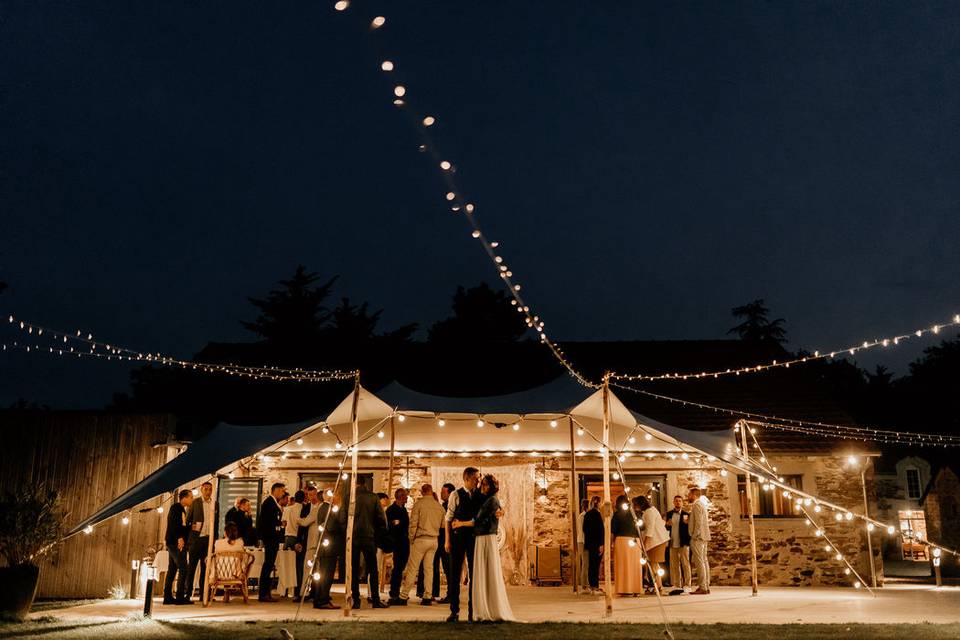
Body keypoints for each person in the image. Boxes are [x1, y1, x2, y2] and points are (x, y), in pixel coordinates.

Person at [451, 474, 515, 622]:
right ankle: (466, 611)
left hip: (483, 538)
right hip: (475, 539)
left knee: (483, 573)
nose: (481, 485)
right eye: (480, 482)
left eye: (485, 483)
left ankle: (483, 610)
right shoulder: (477, 496)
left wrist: (460, 523)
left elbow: (478, 519)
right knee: (477, 575)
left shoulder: (490, 499)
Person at [445, 466, 483, 622]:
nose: (478, 481)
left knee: (474, 575)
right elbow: (448, 519)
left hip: (474, 539)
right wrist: (447, 541)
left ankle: (472, 611)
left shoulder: (480, 495)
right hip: (457, 538)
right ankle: (454, 611)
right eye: (476, 478)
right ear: (467, 479)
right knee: (455, 575)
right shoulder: (455, 495)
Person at [401, 484, 446, 605]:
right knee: (429, 569)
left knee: (412, 568)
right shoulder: (439, 507)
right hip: (434, 540)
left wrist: (411, 538)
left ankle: (404, 596)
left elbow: (413, 523)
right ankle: (427, 597)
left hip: (421, 539)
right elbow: (443, 525)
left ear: (422, 492)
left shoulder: (419, 504)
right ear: (431, 491)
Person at [351, 478, 389, 608]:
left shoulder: (349, 497)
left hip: (354, 537)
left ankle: (356, 600)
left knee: (354, 570)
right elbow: (381, 518)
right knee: (373, 569)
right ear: (365, 485)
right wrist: (377, 531)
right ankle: (375, 599)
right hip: (369, 536)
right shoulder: (373, 498)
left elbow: (341, 517)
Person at [304, 489, 343, 609]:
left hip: (325, 545)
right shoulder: (328, 508)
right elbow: (330, 527)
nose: (336, 497)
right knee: (327, 575)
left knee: (323, 574)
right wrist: (342, 526)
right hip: (329, 546)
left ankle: (320, 599)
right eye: (335, 494)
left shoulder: (322, 508)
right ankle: (323, 600)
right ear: (330, 496)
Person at [186, 481, 216, 601]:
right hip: (196, 540)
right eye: (206, 489)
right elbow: (188, 520)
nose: (208, 492)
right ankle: (187, 594)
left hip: (208, 540)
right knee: (191, 568)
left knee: (206, 569)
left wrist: (214, 540)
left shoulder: (215, 503)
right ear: (201, 490)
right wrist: (191, 528)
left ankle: (204, 595)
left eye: (210, 489)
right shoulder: (195, 502)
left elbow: (216, 521)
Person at [256, 482, 286, 602]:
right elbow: (266, 522)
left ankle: (265, 593)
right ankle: (263, 593)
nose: (283, 493)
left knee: (269, 565)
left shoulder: (272, 503)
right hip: (270, 538)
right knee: (267, 565)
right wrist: (279, 524)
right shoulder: (269, 503)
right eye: (282, 491)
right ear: (277, 490)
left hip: (272, 538)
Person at [163, 489, 193, 605]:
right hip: (175, 542)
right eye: (191, 497)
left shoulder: (182, 510)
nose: (192, 499)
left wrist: (190, 527)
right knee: (183, 568)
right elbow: (174, 524)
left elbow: (182, 526)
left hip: (173, 541)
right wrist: (180, 538)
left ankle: (167, 597)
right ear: (184, 498)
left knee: (172, 570)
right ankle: (180, 597)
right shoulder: (176, 508)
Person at [635, 495, 669, 592]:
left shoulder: (649, 512)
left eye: (635, 505)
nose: (635, 507)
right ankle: (658, 585)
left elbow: (650, 529)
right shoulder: (651, 511)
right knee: (654, 565)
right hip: (657, 540)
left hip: (656, 541)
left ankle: (658, 587)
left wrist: (644, 544)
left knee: (654, 565)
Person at [611, 494, 642, 596]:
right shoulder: (636, 514)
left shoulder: (617, 514)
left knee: (622, 565)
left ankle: (624, 589)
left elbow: (613, 531)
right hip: (635, 541)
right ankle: (635, 588)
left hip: (622, 541)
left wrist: (611, 544)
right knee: (634, 565)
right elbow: (642, 527)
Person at [386, 488, 410, 605]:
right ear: (400, 497)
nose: (407, 498)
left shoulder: (404, 509)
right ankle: (394, 593)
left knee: (401, 567)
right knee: (397, 569)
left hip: (405, 542)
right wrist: (393, 523)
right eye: (405, 496)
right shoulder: (391, 510)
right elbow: (387, 525)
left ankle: (396, 592)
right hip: (396, 542)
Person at [664, 495, 691, 593]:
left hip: (683, 543)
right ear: (673, 502)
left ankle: (687, 584)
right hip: (672, 542)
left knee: (685, 564)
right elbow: (666, 528)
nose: (678, 502)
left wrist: (686, 523)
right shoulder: (669, 514)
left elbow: (689, 530)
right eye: (676, 501)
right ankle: (676, 584)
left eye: (680, 501)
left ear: (682, 503)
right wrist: (667, 525)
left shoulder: (686, 514)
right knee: (674, 565)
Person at [687, 486, 711, 595]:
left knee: (700, 562)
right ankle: (706, 585)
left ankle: (703, 587)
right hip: (704, 536)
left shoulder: (696, 505)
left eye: (689, 494)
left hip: (698, 537)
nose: (688, 496)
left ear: (694, 494)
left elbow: (699, 522)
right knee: (704, 561)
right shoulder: (702, 504)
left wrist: (694, 535)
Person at [283, 490, 306, 599]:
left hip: (288, 538)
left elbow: (283, 524)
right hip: (298, 538)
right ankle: (297, 592)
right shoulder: (304, 509)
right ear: (304, 499)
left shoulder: (287, 509)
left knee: (286, 565)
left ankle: (285, 590)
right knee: (298, 566)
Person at [582, 495, 604, 594]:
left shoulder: (587, 514)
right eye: (601, 502)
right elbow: (600, 530)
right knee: (596, 565)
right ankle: (595, 586)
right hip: (596, 543)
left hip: (589, 543)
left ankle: (592, 586)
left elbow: (584, 529)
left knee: (591, 565)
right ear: (598, 503)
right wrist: (601, 544)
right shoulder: (597, 514)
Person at [576, 498, 590, 592]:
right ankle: (584, 584)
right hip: (583, 541)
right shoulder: (583, 516)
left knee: (585, 563)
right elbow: (583, 531)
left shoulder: (582, 516)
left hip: (581, 541)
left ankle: (585, 583)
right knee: (585, 563)